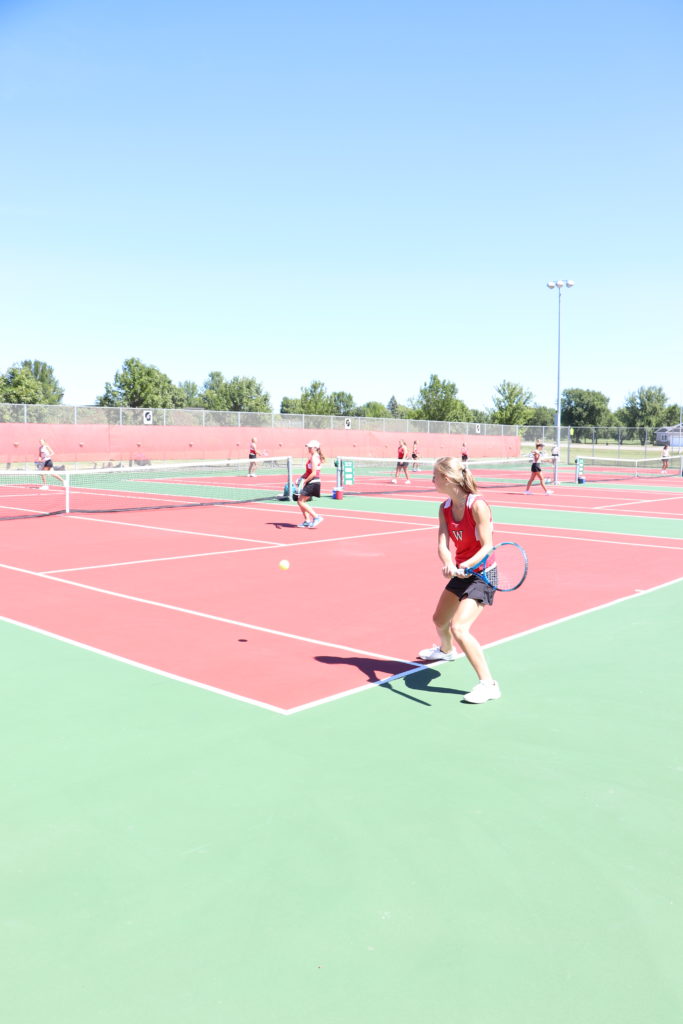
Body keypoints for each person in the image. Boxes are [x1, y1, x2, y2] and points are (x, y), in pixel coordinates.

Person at [417, 456, 500, 703]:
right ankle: (446, 651)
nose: (432, 480)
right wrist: (449, 563)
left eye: (434, 476)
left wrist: (466, 564)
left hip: (483, 573)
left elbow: (488, 545)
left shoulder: (478, 505)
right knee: (439, 621)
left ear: (447, 478)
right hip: (463, 570)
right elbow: (442, 542)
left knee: (459, 627)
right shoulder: (444, 507)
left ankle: (489, 684)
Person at [297, 440, 325, 528]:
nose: (308, 449)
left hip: (313, 482)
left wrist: (304, 482)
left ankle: (317, 517)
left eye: (310, 447)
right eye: (308, 447)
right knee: (302, 501)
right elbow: (308, 472)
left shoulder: (314, 458)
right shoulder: (312, 457)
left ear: (315, 448)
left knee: (300, 501)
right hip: (311, 481)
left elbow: (313, 473)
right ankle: (307, 521)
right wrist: (301, 478)